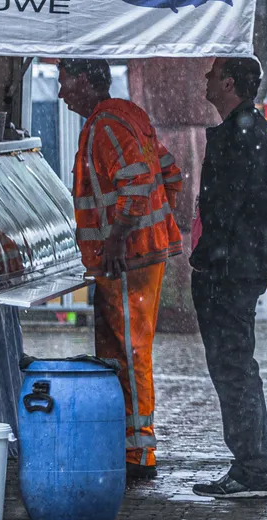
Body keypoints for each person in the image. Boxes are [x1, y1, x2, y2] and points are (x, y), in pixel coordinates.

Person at [58, 58, 184, 482]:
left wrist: (118, 240)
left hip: (128, 259)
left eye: (64, 81)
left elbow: (137, 183)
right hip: (135, 257)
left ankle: (139, 451)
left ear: (85, 80)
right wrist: (155, 226)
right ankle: (126, 442)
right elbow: (170, 174)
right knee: (119, 352)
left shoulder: (105, 126)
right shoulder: (127, 116)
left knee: (129, 353)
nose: (61, 92)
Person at [190, 56, 267, 499]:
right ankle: (251, 465)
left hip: (230, 271)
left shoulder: (239, 135)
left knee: (233, 367)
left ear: (229, 83)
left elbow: (224, 208)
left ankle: (252, 469)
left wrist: (207, 260)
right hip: (240, 267)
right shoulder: (251, 130)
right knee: (237, 365)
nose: (205, 80)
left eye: (212, 74)